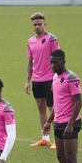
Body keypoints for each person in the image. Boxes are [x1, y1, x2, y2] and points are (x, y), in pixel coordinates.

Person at [44, 50, 82, 163]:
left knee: (71, 159)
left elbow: (78, 102)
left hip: (70, 124)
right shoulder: (55, 77)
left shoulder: (71, 78)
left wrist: (71, 123)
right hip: (58, 123)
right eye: (51, 62)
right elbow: (58, 102)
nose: (53, 65)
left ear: (63, 61)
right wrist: (49, 121)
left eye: (56, 62)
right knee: (60, 157)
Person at [25, 12, 60, 148]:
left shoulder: (51, 39)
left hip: (50, 79)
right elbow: (30, 62)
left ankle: (57, 139)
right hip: (37, 80)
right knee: (41, 108)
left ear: (45, 24)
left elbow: (58, 59)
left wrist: (55, 79)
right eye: (35, 24)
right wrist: (28, 81)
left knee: (53, 109)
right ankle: (45, 137)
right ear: (32, 26)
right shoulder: (30, 41)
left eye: (40, 24)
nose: (37, 26)